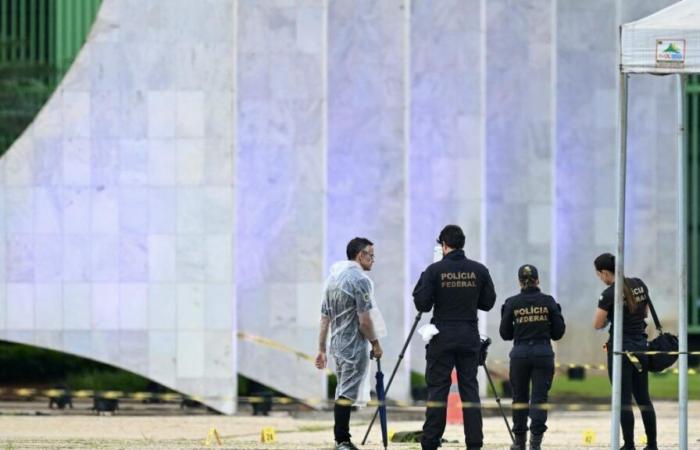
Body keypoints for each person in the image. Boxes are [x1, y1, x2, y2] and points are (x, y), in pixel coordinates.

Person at [413, 224, 497, 450]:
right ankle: (474, 443)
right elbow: (488, 303)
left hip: (442, 335)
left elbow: (422, 303)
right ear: (462, 244)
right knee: (469, 389)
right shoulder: (479, 270)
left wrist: (429, 272)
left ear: (443, 245)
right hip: (469, 334)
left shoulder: (434, 271)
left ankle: (430, 442)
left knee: (438, 389)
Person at [315, 237, 383, 450]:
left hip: (337, 345)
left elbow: (324, 318)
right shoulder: (360, 281)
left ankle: (341, 439)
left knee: (342, 390)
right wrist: (376, 343)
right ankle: (342, 439)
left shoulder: (332, 279)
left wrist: (321, 349)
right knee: (345, 393)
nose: (373, 260)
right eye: (371, 255)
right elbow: (365, 321)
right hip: (354, 345)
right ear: (360, 255)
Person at [593, 252, 657, 450]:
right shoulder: (638, 283)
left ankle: (629, 445)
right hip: (641, 347)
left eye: (599, 274)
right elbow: (644, 312)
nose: (600, 278)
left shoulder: (609, 294)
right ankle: (652, 444)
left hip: (621, 350)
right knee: (643, 397)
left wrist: (612, 318)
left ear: (605, 273)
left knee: (623, 399)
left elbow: (597, 324)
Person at [499, 264, 565, 450]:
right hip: (542, 352)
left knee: (519, 398)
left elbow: (505, 334)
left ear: (519, 282)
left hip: (519, 354)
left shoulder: (512, 303)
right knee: (539, 398)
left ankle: (519, 443)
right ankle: (535, 444)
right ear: (538, 280)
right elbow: (558, 332)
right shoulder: (549, 301)